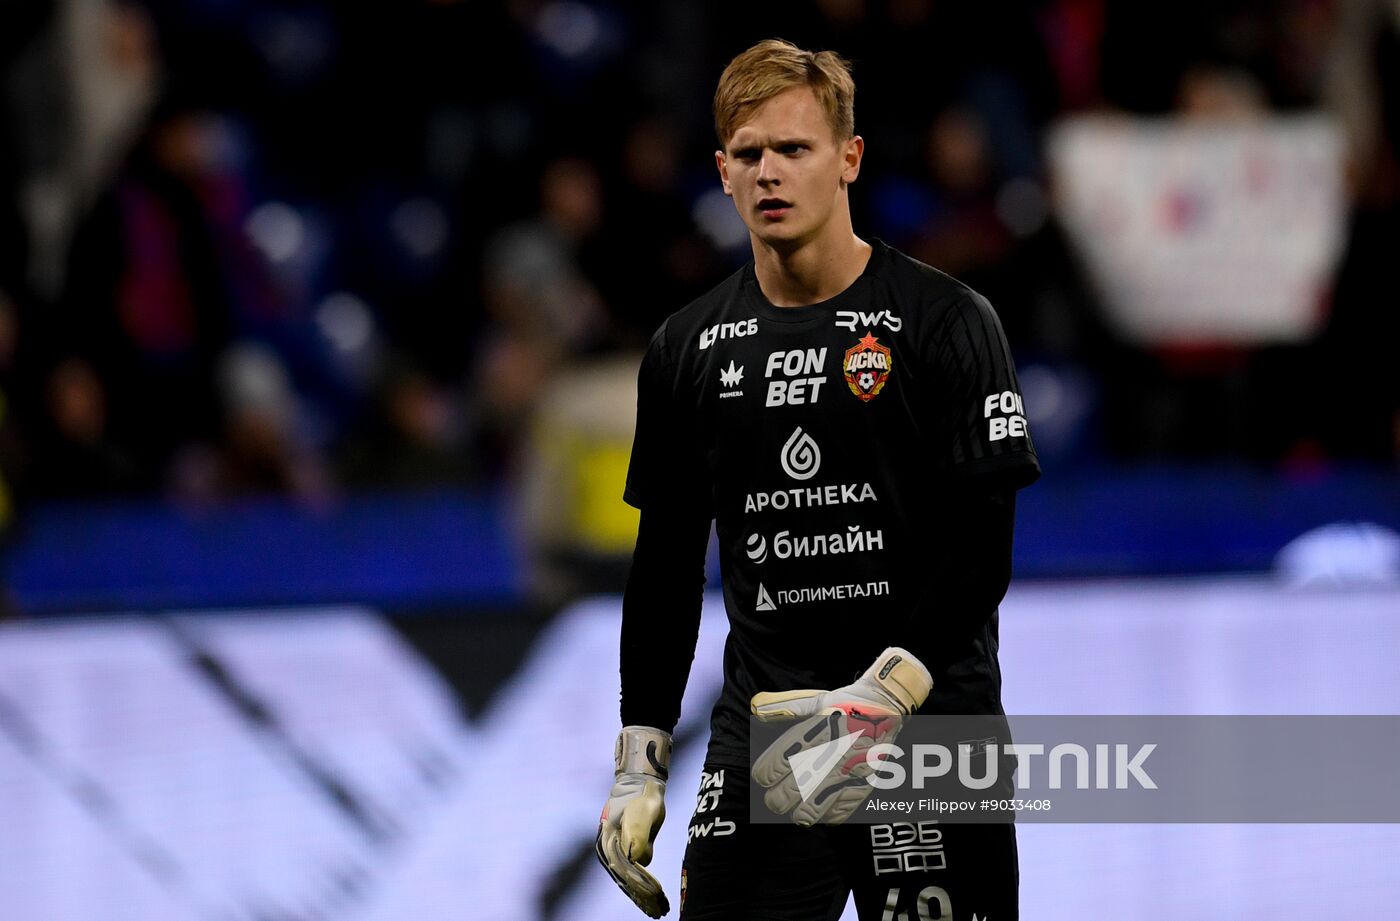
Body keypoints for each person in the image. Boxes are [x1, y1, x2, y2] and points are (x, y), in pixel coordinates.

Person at [596, 39, 1040, 920]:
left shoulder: (946, 321)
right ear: (722, 172)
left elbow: (982, 542)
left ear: (849, 158)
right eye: (749, 154)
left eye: (793, 149)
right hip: (776, 734)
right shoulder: (686, 349)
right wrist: (639, 754)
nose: (770, 172)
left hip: (924, 722)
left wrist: (887, 690)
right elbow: (665, 566)